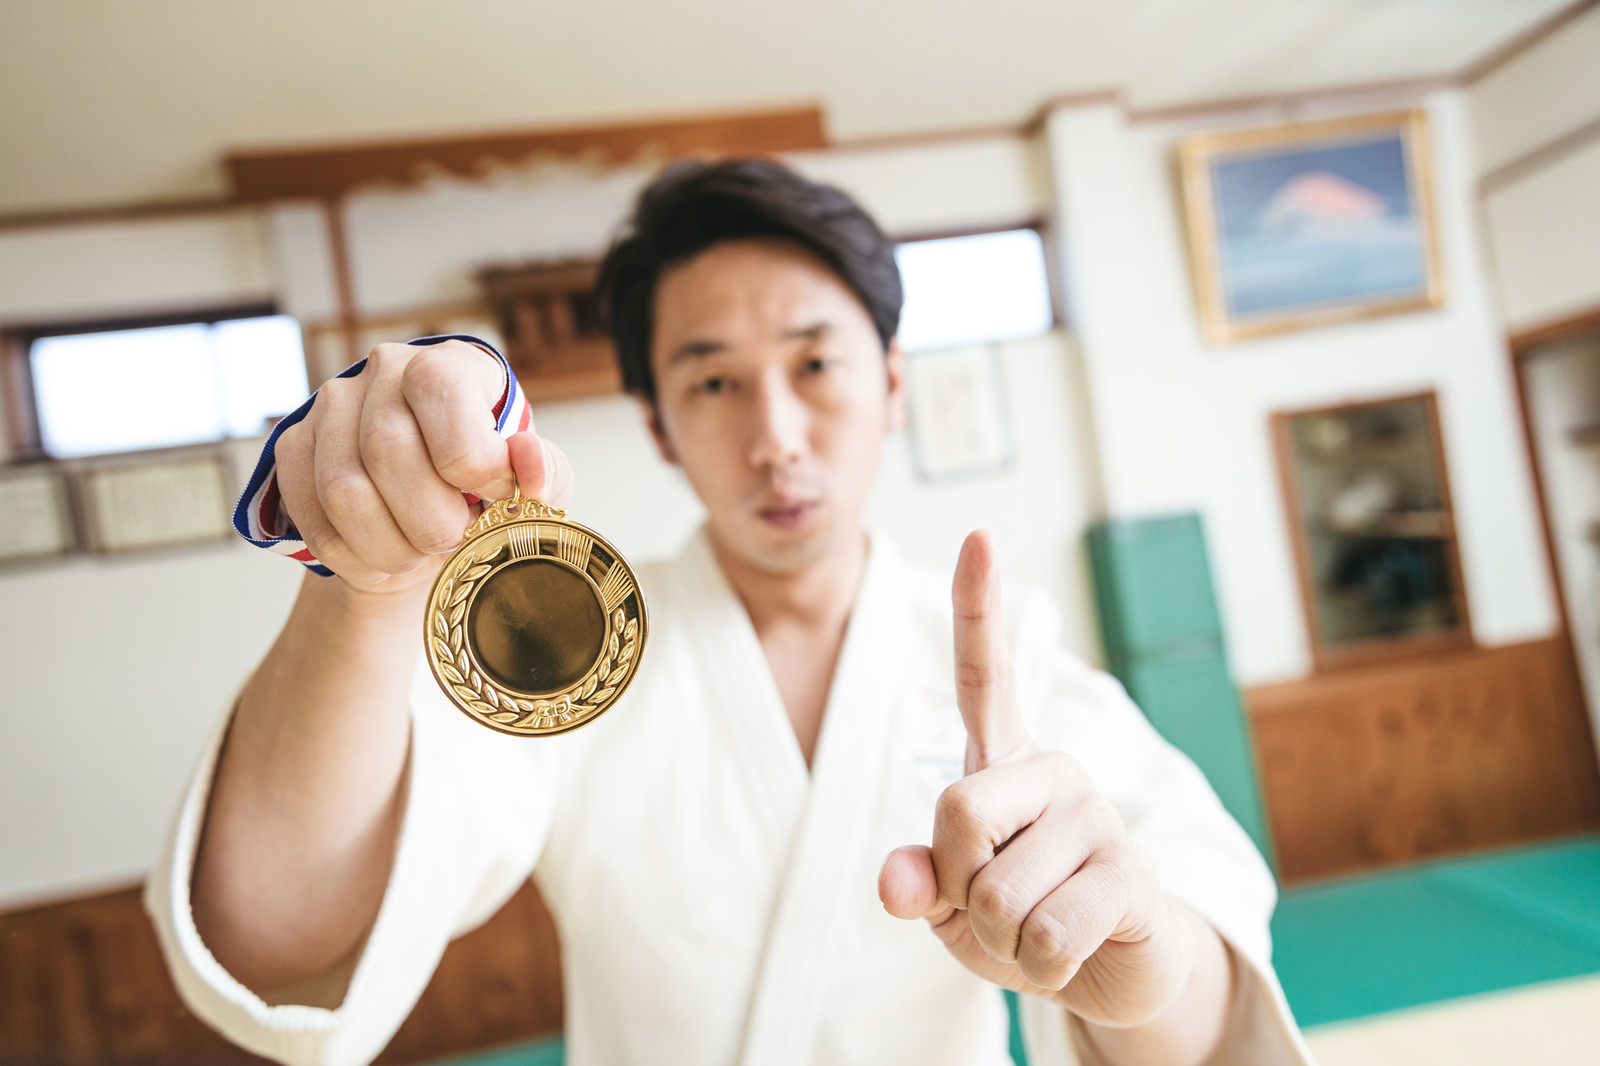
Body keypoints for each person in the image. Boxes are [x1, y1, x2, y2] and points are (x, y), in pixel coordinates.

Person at [146, 159, 1313, 1066]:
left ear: (892, 385)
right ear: (657, 424)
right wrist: (370, 582)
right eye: (710, 380)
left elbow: (1212, 974)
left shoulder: (1007, 665)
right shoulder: (561, 647)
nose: (775, 436)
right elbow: (277, 935)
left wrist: (1145, 979)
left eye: (815, 365)